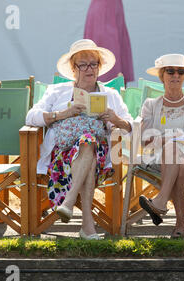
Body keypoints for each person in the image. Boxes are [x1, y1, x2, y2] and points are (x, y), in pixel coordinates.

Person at [25, 39, 132, 240]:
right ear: (74, 69)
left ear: (99, 68)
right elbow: (30, 117)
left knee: (88, 142)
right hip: (62, 157)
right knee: (88, 147)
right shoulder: (57, 91)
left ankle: (69, 201)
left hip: (99, 155)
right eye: (83, 64)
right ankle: (87, 225)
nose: (89, 69)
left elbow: (132, 126)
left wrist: (116, 119)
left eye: (94, 64)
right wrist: (63, 113)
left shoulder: (111, 94)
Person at [138, 54, 184, 239]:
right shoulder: (150, 105)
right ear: (162, 76)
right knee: (178, 159)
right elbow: (143, 140)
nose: (175, 75)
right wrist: (170, 138)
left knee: (177, 154)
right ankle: (180, 222)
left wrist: (183, 140)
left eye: (180, 71)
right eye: (170, 71)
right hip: (157, 157)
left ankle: (161, 202)